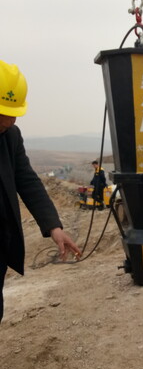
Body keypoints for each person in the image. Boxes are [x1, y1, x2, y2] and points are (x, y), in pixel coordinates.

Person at [0, 60, 81, 322]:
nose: (10, 120)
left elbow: (27, 180)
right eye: (4, 112)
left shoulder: (10, 136)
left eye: (14, 113)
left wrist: (53, 227)